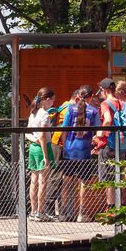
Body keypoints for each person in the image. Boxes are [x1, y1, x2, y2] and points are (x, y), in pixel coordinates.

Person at [92, 78, 126, 210]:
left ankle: (111, 208)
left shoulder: (105, 104)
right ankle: (121, 206)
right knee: (119, 175)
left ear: (104, 90)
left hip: (109, 144)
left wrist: (99, 134)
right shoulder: (124, 104)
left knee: (108, 179)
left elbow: (107, 119)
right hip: (123, 143)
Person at [58, 85, 99, 222]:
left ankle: (63, 213)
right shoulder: (93, 111)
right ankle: (81, 214)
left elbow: (64, 130)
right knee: (83, 183)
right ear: (91, 97)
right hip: (84, 151)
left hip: (70, 150)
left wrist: (65, 146)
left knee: (66, 181)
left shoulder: (70, 109)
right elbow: (98, 130)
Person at [46, 89, 80, 218]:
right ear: (77, 98)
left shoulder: (64, 106)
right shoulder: (68, 108)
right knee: (56, 176)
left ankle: (60, 210)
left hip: (61, 144)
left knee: (62, 177)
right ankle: (48, 208)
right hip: (60, 144)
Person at [25, 87, 56, 221]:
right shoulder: (44, 114)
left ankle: (33, 211)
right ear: (47, 99)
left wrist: (34, 139)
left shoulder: (33, 113)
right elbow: (43, 136)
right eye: (53, 99)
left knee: (34, 181)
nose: (54, 102)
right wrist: (45, 156)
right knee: (43, 181)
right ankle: (40, 212)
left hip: (33, 148)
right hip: (43, 148)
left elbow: (27, 133)